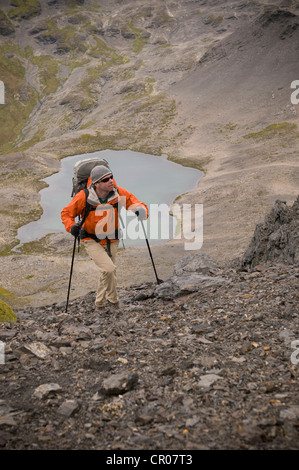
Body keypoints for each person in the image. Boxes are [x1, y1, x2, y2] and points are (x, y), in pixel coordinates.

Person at [61, 165, 148, 313]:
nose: (111, 181)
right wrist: (71, 227)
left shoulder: (118, 192)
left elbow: (133, 202)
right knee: (109, 269)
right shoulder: (84, 196)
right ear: (96, 184)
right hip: (90, 239)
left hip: (112, 238)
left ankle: (99, 305)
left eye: (111, 177)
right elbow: (66, 213)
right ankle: (114, 302)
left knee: (106, 272)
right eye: (106, 179)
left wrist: (141, 210)